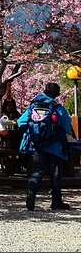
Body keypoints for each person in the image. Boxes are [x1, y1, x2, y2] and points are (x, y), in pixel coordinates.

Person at [18, 82, 77, 211]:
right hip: (56, 146)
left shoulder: (34, 106)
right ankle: (56, 202)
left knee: (38, 171)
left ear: (44, 91)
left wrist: (34, 130)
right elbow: (67, 128)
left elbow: (20, 122)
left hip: (38, 145)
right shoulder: (58, 108)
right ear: (58, 94)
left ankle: (31, 193)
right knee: (56, 174)